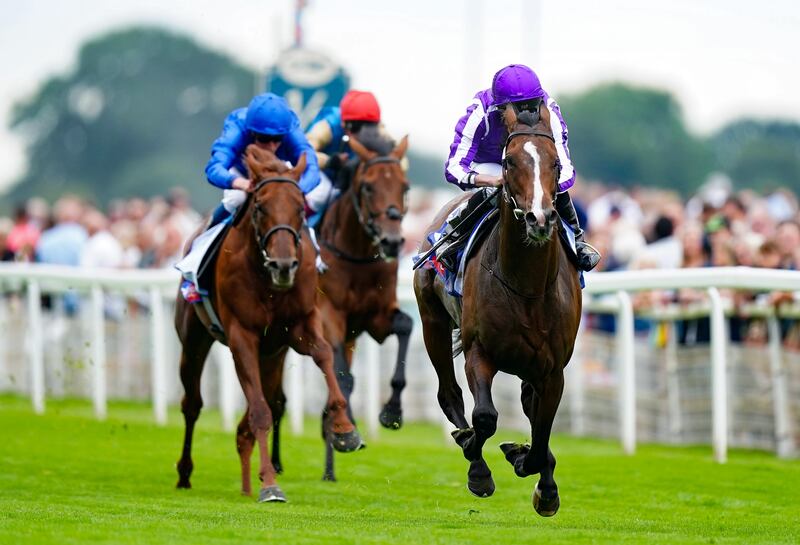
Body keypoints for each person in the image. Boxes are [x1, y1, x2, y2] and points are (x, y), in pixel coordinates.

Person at [442, 64, 600, 271]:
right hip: (488, 166)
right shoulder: (480, 110)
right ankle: (450, 237)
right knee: (494, 185)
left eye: (532, 105)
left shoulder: (549, 109)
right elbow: (454, 167)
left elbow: (566, 169)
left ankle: (578, 241)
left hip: (531, 164)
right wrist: (491, 180)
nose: (528, 114)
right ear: (501, 108)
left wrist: (541, 184)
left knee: (549, 182)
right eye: (519, 107)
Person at [204, 92, 322, 228]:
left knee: (292, 207)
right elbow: (214, 168)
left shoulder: (291, 132)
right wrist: (238, 182)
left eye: (278, 139)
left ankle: (314, 246)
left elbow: (313, 170)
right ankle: (204, 238)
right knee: (236, 199)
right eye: (264, 138)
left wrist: (295, 189)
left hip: (277, 172)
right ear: (252, 133)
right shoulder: (237, 129)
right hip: (242, 172)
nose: (271, 146)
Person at [305, 90, 383, 206]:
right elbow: (303, 154)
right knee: (320, 195)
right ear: (344, 124)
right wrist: (329, 161)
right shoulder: (327, 126)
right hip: (322, 173)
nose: (362, 134)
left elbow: (398, 161)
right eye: (356, 127)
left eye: (369, 127)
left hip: (352, 179)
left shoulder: (381, 132)